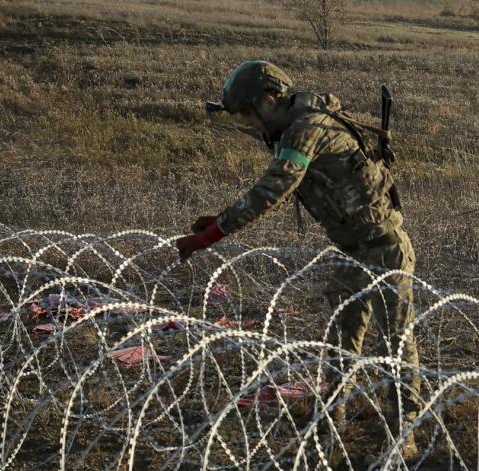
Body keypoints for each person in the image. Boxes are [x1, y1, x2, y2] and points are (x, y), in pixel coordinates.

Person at [178, 61, 423, 426]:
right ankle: (333, 418)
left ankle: (406, 433)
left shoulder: (305, 129)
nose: (248, 123)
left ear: (269, 99)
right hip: (351, 250)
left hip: (384, 247)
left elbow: (272, 190)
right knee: (343, 339)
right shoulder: (299, 125)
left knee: (395, 347)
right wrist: (218, 221)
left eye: (248, 113)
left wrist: (212, 235)